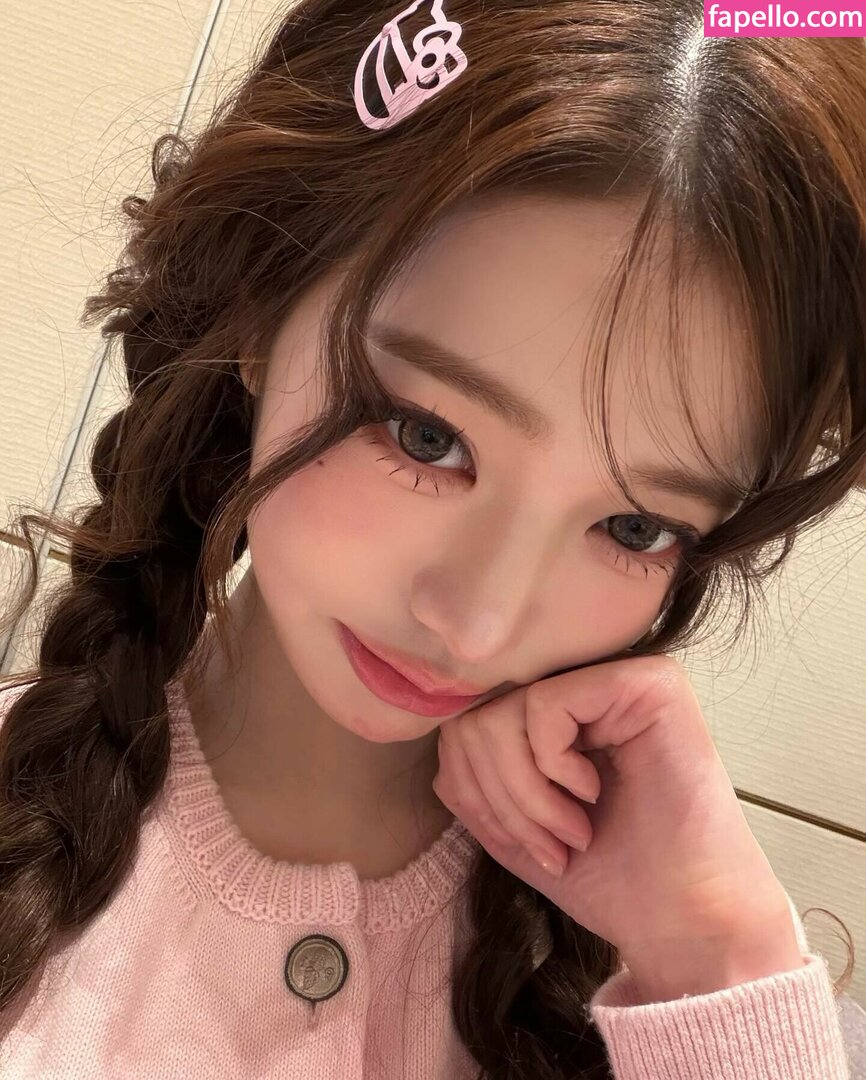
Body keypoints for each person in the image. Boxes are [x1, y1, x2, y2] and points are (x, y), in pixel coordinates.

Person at [0, 0, 861, 1076]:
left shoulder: (699, 1001)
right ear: (261, 303)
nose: (479, 624)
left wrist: (715, 959)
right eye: (426, 436)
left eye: (633, 526)